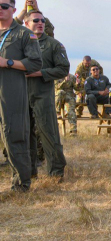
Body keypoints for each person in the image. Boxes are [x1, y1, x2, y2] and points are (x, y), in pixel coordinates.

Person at [0, 0, 43, 191]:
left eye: (4, 6)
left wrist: (7, 63)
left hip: (11, 92)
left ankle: (21, 183)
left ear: (14, 10)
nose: (0, 9)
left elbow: (35, 62)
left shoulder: (25, 34)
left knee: (14, 134)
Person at [24, 10, 69, 179]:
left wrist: (39, 73)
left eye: (42, 20)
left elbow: (63, 69)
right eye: (36, 20)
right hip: (21, 94)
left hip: (42, 95)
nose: (40, 23)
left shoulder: (53, 45)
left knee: (48, 133)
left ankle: (56, 172)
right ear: (26, 24)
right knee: (25, 134)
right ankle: (29, 170)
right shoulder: (20, 43)